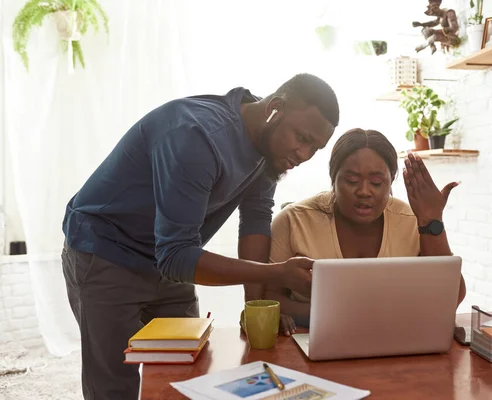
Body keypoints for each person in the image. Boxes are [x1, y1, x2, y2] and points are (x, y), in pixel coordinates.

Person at [61, 73, 339, 400]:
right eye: (301, 138)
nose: (304, 154)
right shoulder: (197, 137)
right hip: (107, 251)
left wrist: (256, 309)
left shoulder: (268, 149)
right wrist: (276, 272)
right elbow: (177, 257)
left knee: (186, 374)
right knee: (114, 385)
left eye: (315, 148)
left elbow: (256, 218)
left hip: (170, 257)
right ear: (274, 109)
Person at [265, 128, 466, 335]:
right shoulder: (293, 220)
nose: (364, 191)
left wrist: (431, 220)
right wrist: (349, 316)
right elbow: (266, 298)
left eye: (377, 182)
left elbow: (451, 297)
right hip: (314, 341)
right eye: (351, 181)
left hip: (394, 341)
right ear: (333, 179)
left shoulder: (410, 220)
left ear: (391, 180)